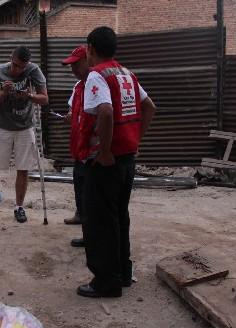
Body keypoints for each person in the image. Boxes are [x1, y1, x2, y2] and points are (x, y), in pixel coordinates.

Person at [76, 27, 156, 298]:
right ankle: (122, 273)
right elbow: (150, 107)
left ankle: (105, 281)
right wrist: (136, 139)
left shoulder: (97, 75)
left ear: (91, 48)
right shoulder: (126, 74)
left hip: (106, 162)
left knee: (100, 221)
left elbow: (106, 111)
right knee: (119, 217)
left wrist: (106, 151)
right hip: (127, 159)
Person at [0, 46, 48, 223]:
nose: (17, 70)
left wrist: (30, 96)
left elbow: (44, 99)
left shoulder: (34, 70)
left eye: (22, 67)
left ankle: (19, 207)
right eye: (15, 65)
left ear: (27, 64)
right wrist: (3, 92)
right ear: (10, 58)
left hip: (26, 126)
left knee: (23, 168)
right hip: (4, 126)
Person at [61, 46, 90, 248]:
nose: (73, 69)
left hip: (93, 149)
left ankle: (91, 235)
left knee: (91, 194)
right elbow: (72, 109)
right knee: (79, 185)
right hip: (79, 146)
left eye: (76, 64)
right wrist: (70, 116)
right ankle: (81, 216)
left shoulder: (98, 83)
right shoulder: (78, 86)